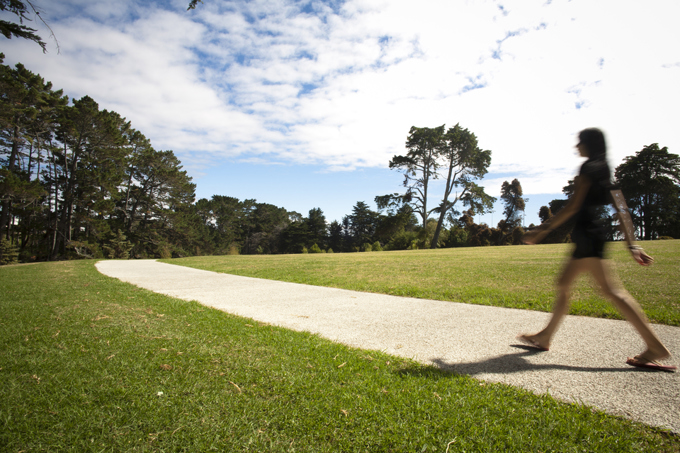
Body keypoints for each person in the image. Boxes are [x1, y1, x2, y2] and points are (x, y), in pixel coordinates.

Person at [518, 128, 676, 372]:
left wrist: (542, 231)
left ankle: (655, 346)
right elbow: (621, 208)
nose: (576, 147)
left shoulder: (589, 168)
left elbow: (573, 206)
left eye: (579, 142)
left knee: (613, 292)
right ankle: (546, 336)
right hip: (590, 237)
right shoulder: (604, 170)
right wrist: (631, 244)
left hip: (589, 237)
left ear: (590, 144)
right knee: (563, 283)